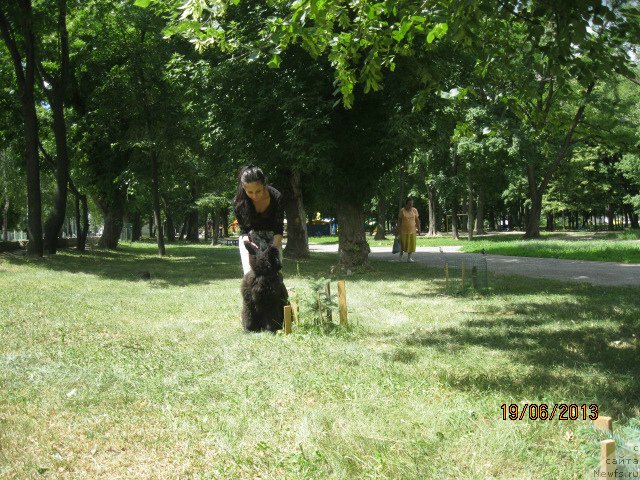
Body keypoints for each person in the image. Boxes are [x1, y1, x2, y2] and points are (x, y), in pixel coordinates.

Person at [233, 165, 284, 274]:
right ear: (243, 187)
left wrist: (272, 251)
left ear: (264, 184)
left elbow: (278, 230)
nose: (255, 196)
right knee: (251, 277)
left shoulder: (276, 197)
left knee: (274, 277)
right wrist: (249, 243)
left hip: (273, 241)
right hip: (251, 241)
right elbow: (244, 231)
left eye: (258, 191)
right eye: (250, 192)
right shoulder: (238, 203)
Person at [396, 198, 420, 262]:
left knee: (411, 245)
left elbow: (417, 220)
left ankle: (409, 258)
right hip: (403, 231)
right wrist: (398, 229)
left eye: (412, 203)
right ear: (406, 204)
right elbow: (399, 221)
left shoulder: (414, 210)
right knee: (402, 245)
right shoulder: (402, 210)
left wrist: (419, 228)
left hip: (412, 231)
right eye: (409, 204)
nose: (411, 205)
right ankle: (400, 258)